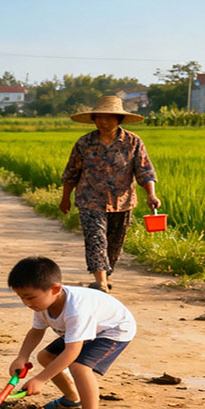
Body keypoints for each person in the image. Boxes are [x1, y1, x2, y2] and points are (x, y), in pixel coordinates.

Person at [8, 256, 136, 409]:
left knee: (79, 367)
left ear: (55, 289)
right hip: (85, 329)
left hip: (113, 329)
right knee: (46, 357)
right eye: (22, 298)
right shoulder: (42, 304)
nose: (26, 303)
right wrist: (21, 357)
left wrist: (40, 379)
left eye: (29, 298)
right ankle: (71, 398)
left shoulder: (76, 310)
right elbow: (36, 331)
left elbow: (72, 351)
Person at [59, 95, 160, 292]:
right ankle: (101, 282)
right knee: (96, 239)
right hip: (90, 200)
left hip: (122, 201)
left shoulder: (133, 142)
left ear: (119, 119)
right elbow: (71, 172)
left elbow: (145, 171)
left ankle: (105, 274)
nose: (104, 121)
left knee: (114, 244)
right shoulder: (84, 143)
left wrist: (151, 195)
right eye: (99, 117)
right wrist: (65, 198)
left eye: (109, 117)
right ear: (94, 119)